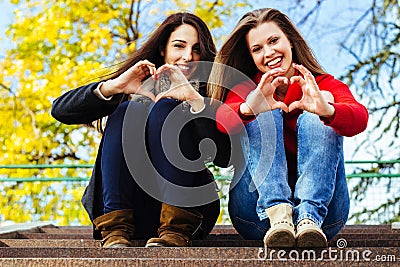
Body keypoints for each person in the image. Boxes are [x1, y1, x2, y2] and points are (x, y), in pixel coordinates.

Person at [51, 12, 230, 248]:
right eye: (179, 46)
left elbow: (225, 157)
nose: (188, 56)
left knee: (167, 107)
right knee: (128, 110)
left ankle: (175, 227)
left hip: (186, 216)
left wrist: (195, 101)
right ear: (162, 50)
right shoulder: (133, 84)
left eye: (196, 49)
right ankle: (115, 228)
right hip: (126, 212)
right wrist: (114, 87)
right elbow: (60, 110)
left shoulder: (208, 95)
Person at [207, 8, 368, 248]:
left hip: (324, 219)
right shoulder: (249, 87)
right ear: (250, 56)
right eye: (257, 49)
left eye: (273, 41)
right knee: (260, 107)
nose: (269, 53)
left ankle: (308, 216)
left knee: (321, 108)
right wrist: (249, 108)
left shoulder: (321, 84)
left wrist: (328, 110)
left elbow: (360, 118)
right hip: (257, 216)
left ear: (290, 41)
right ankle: (278, 211)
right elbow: (221, 120)